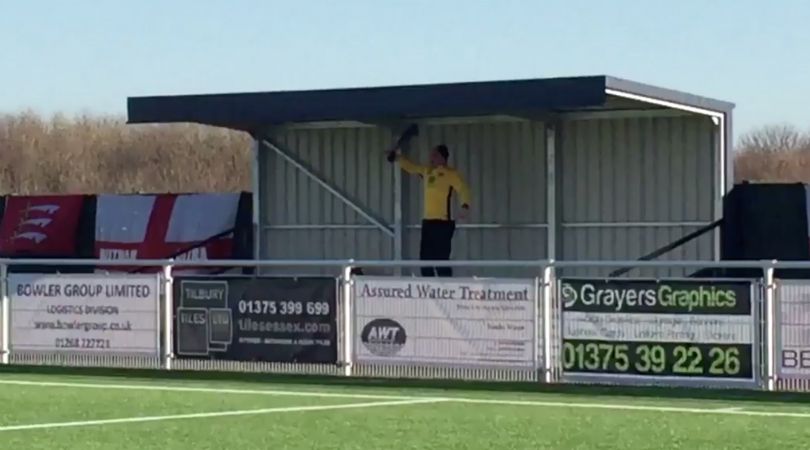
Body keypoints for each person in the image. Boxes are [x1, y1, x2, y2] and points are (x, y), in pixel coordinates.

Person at [388, 144, 471, 277]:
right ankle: (428, 287)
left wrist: (465, 205)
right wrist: (397, 158)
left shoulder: (451, 174)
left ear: (443, 157)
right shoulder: (427, 171)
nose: (431, 158)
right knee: (425, 259)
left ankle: (447, 289)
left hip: (443, 222)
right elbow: (411, 167)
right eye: (432, 155)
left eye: (435, 155)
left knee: (441, 260)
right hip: (428, 222)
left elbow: (463, 189)